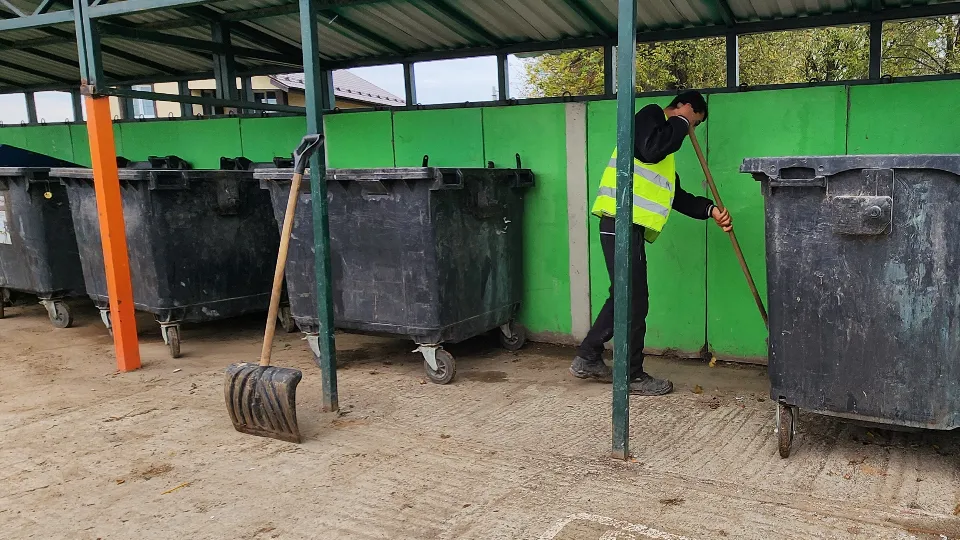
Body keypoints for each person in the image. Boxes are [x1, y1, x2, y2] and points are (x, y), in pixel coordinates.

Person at [569, 90, 733, 396]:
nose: (690, 131)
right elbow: (651, 149)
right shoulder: (650, 116)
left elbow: (677, 196)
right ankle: (630, 374)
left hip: (625, 227)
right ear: (685, 107)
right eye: (694, 122)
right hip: (620, 222)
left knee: (626, 295)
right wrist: (683, 122)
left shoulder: (661, 151)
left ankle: (588, 355)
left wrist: (710, 210)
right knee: (633, 299)